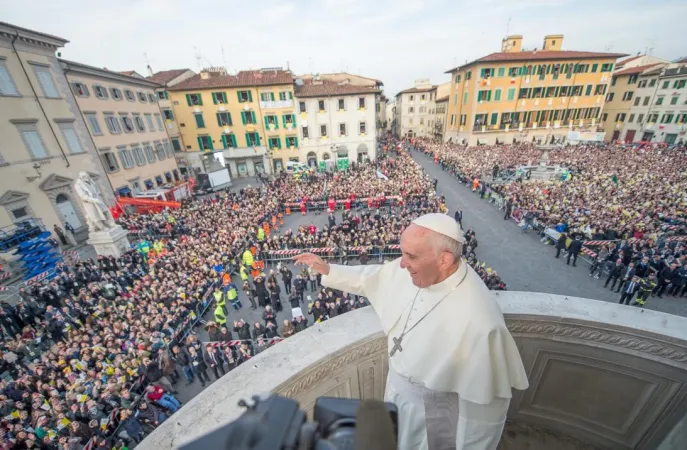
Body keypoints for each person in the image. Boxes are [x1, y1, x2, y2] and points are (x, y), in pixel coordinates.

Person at [294, 213, 528, 450]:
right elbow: (372, 278)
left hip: (434, 411)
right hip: (396, 391)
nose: (402, 263)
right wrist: (328, 269)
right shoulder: (418, 267)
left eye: (411, 256)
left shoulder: (480, 320)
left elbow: (483, 416)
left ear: (444, 260)